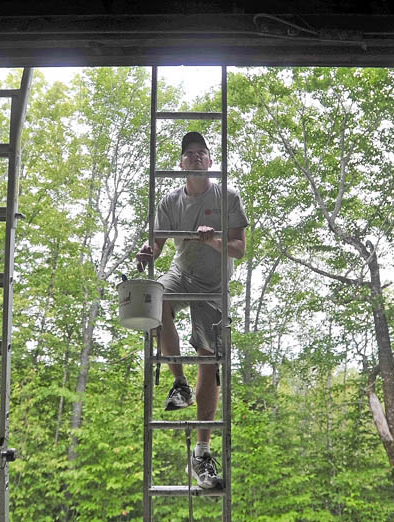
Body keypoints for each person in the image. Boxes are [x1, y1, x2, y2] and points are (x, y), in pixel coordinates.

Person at [136, 131, 249, 489]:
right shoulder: (170, 200)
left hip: (213, 286)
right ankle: (179, 385)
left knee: (208, 359)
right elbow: (156, 243)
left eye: (202, 153)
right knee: (156, 299)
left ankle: (201, 454)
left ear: (211, 161)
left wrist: (212, 238)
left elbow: (239, 250)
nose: (196, 158)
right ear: (182, 163)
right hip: (182, 274)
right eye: (189, 154)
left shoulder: (227, 197)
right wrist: (146, 252)